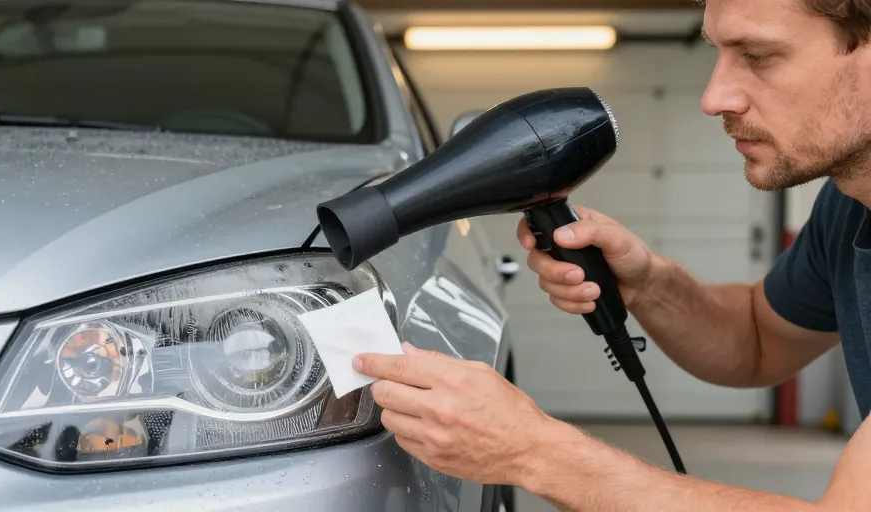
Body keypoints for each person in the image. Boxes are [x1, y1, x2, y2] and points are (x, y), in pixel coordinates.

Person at [350, 0, 871, 509]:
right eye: (719, 53)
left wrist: (533, 451)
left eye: (758, 56)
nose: (714, 98)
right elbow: (758, 338)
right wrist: (647, 282)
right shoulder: (848, 206)